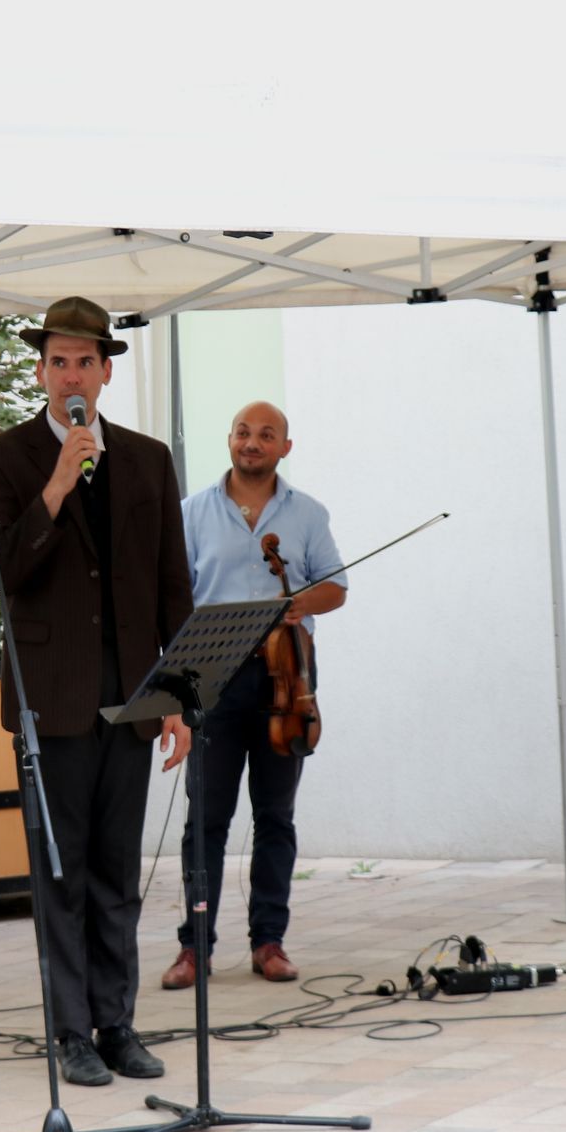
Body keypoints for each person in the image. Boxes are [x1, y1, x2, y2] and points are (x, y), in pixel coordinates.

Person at [0, 295, 193, 1088]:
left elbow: (172, 583)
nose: (71, 374)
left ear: (105, 373)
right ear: (41, 372)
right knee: (61, 873)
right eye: (58, 362)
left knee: (116, 872)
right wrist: (56, 486)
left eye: (84, 362)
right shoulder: (1, 460)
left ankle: (117, 1023)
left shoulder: (148, 459)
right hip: (50, 699)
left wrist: (179, 695)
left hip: (132, 693)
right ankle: (71, 1031)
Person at [159, 403, 346, 992]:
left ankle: (269, 941)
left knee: (275, 818)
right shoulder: (191, 512)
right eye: (243, 432)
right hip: (211, 680)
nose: (252, 442)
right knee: (205, 822)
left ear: (285, 447)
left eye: (267, 435)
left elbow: (336, 586)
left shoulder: (308, 513)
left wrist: (300, 602)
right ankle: (195, 947)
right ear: (229, 440)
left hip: (284, 682)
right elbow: (174, 596)